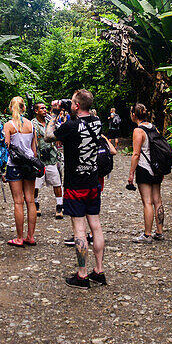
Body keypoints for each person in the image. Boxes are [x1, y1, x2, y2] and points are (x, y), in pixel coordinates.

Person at [48, 89, 115, 289]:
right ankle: (99, 271)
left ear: (76, 106)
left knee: (79, 229)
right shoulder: (97, 122)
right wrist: (71, 107)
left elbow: (49, 136)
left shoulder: (70, 125)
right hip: (93, 180)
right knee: (96, 225)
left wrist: (54, 113)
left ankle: (82, 274)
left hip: (75, 183)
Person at [127, 103, 164, 242]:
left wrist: (131, 173)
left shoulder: (138, 131)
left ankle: (147, 234)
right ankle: (159, 232)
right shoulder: (154, 128)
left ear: (134, 115)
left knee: (147, 202)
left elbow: (136, 154)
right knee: (158, 200)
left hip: (144, 168)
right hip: (156, 168)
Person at [3, 96, 38, 247]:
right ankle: (30, 236)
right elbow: (34, 150)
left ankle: (19, 237)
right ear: (24, 108)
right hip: (30, 165)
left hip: (15, 165)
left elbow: (6, 148)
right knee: (30, 201)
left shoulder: (9, 126)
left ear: (11, 108)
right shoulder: (31, 125)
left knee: (18, 202)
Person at [32, 102, 63, 220]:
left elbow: (60, 131)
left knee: (57, 182)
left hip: (52, 156)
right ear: (36, 111)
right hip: (39, 158)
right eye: (42, 108)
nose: (45, 110)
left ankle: (59, 205)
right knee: (36, 184)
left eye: (45, 108)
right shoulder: (32, 123)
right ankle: (36, 204)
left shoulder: (51, 122)